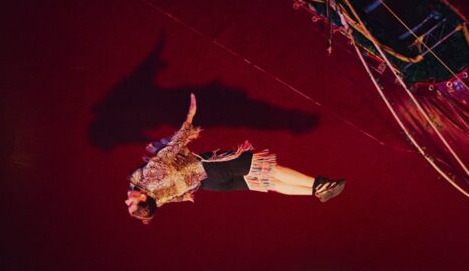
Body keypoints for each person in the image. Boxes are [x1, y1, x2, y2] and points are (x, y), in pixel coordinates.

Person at [124, 94, 345, 223]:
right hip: (211, 169)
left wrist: (184, 197)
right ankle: (319, 184)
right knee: (270, 169)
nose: (127, 200)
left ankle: (315, 192)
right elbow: (172, 148)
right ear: (143, 197)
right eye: (131, 204)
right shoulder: (148, 177)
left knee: (268, 182)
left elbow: (167, 200)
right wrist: (189, 118)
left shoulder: (155, 198)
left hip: (211, 185)